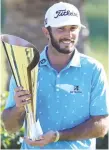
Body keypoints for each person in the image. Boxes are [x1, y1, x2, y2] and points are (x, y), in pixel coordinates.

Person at [2, 2, 109, 149]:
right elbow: (10, 127)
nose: (68, 35)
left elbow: (102, 125)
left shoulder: (93, 70)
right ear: (46, 32)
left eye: (73, 28)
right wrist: (18, 109)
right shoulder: (26, 68)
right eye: (61, 29)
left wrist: (58, 135)